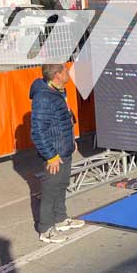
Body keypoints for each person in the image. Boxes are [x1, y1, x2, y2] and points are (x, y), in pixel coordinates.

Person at [30, 64, 84, 244]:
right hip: (54, 155)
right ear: (57, 75)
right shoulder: (43, 97)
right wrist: (50, 156)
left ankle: (61, 219)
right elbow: (38, 131)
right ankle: (45, 229)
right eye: (65, 71)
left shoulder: (58, 91)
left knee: (61, 185)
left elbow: (62, 121)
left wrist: (70, 141)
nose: (68, 73)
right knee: (50, 190)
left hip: (64, 149)